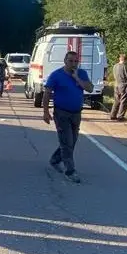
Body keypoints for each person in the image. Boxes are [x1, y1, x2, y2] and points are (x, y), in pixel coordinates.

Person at [42, 51, 93, 183]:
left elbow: (90, 88)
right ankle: (70, 170)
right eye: (70, 61)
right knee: (67, 142)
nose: (73, 64)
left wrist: (77, 78)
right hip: (61, 113)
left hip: (76, 113)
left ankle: (55, 159)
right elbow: (47, 93)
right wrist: (46, 111)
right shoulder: (56, 75)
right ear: (65, 61)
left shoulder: (81, 73)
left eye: (76, 61)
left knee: (72, 141)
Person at [110, 53, 127, 121]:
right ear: (126, 59)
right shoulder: (125, 66)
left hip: (116, 84)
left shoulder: (115, 66)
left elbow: (114, 75)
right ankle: (120, 116)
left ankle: (113, 115)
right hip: (124, 85)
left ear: (120, 58)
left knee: (116, 100)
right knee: (124, 101)